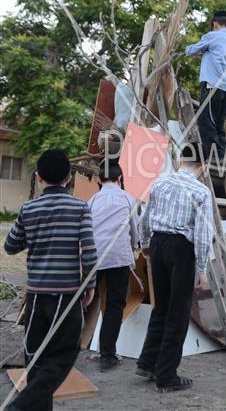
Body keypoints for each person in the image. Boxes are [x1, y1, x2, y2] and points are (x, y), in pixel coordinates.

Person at [4, 149, 97, 411]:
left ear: (39, 177)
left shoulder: (29, 208)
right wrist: (89, 285)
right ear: (69, 178)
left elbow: (11, 246)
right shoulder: (80, 208)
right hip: (66, 295)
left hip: (36, 294)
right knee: (64, 353)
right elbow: (89, 251)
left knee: (35, 356)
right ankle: (20, 406)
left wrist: (32, 231)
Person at [136, 143, 214, 393]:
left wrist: (146, 244)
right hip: (181, 249)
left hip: (158, 243)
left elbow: (145, 217)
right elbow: (203, 234)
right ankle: (167, 375)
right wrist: (202, 268)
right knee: (178, 313)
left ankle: (147, 363)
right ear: (204, 166)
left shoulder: (160, 183)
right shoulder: (201, 191)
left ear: (180, 159)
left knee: (161, 307)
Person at [88, 158, 139, 371]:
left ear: (100, 180)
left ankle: (68, 350)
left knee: (86, 302)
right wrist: (135, 246)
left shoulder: (92, 200)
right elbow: (135, 231)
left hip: (95, 256)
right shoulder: (128, 199)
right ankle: (108, 355)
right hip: (118, 256)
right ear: (120, 179)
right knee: (115, 305)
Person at [185, 10, 226, 161]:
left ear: (214, 24)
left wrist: (184, 50)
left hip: (211, 85)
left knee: (206, 121)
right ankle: (222, 155)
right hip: (225, 88)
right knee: (219, 125)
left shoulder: (213, 36)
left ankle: (212, 155)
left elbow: (192, 50)